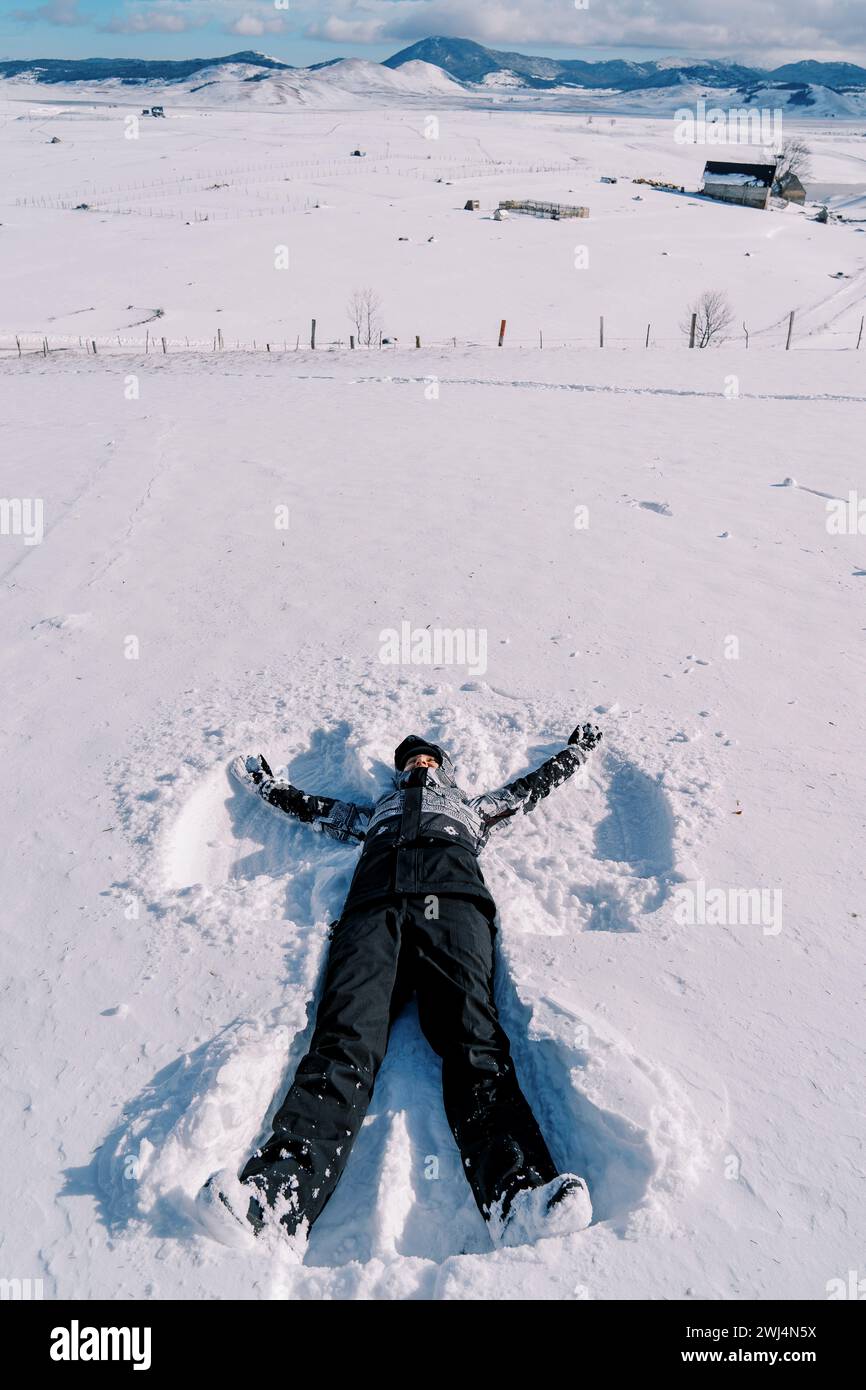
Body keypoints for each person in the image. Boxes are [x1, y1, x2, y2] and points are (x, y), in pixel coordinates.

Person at [200, 722, 603, 1253]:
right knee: (344, 1038)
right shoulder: (372, 816)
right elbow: (311, 808)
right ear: (399, 771)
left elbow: (532, 786)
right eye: (411, 759)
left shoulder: (475, 810)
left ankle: (517, 1193)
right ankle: (278, 1198)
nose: (420, 763)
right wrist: (266, 785)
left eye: (428, 758)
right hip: (374, 910)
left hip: (453, 905)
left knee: (473, 1037)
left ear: (443, 768)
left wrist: (575, 752)